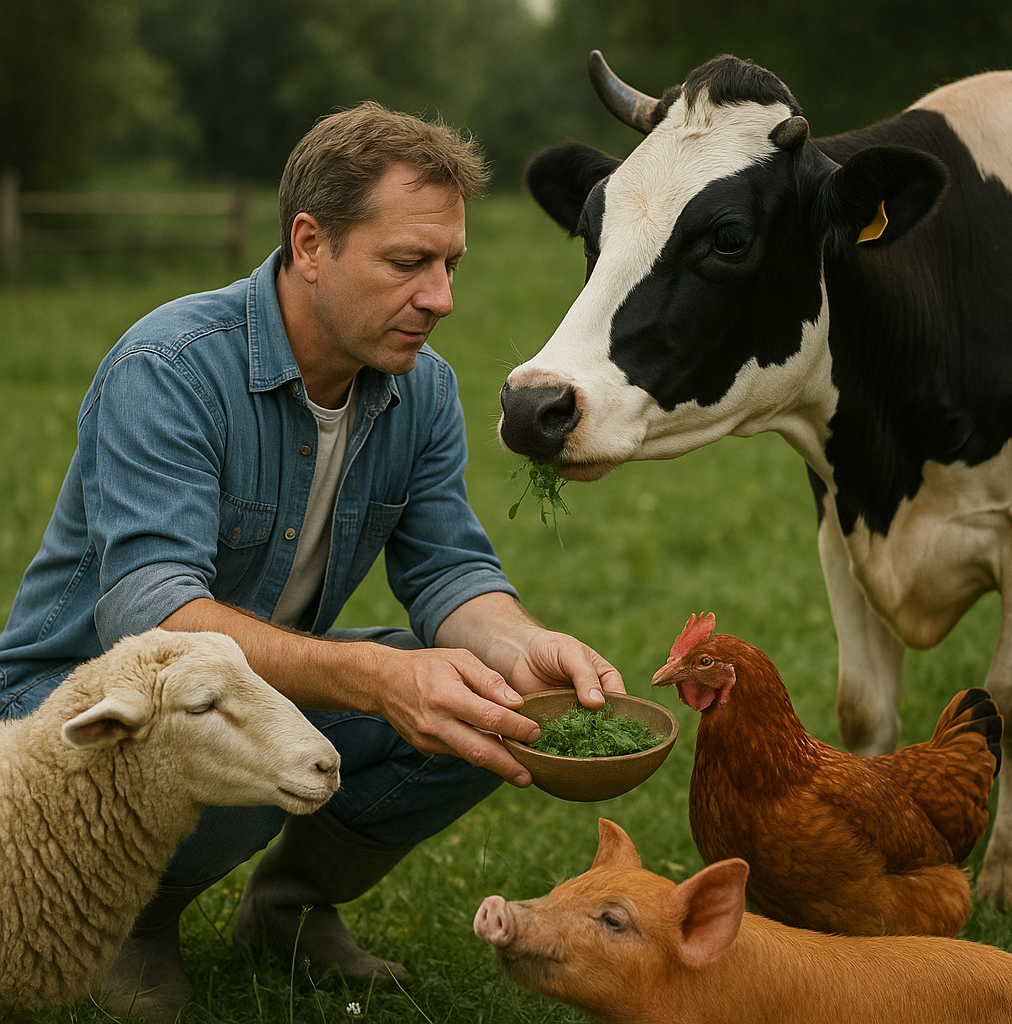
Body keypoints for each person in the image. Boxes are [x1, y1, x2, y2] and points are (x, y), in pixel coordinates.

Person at [0, 101, 624, 1021]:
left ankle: (288, 908)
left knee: (488, 712)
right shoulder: (170, 366)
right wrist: (372, 678)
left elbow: (448, 568)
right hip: (74, 717)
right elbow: (149, 612)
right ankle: (128, 912)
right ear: (310, 244)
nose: (441, 297)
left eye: (451, 264)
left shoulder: (424, 390)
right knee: (241, 724)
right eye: (408, 263)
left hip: (248, 689)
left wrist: (517, 648)